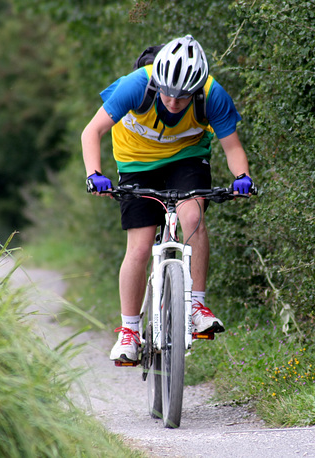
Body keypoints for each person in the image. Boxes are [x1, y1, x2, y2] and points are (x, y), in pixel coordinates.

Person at [81, 35, 254, 363]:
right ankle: (130, 331)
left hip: (186, 159)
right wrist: (94, 174)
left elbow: (232, 147)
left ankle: (196, 306)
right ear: (157, 81)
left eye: (184, 97)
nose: (174, 103)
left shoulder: (211, 94)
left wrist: (242, 177)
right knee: (141, 246)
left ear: (198, 89)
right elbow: (92, 132)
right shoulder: (136, 86)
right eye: (168, 94)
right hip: (135, 163)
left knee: (192, 218)